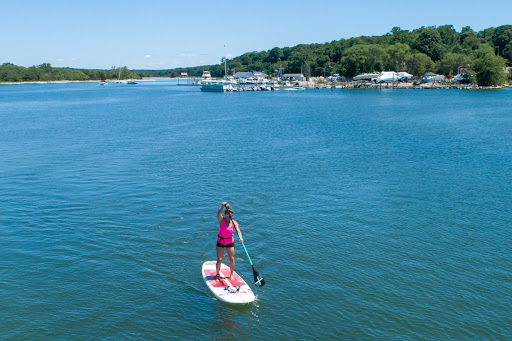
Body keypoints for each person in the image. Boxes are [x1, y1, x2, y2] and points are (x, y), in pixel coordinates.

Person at [216, 202, 243, 281]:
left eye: (231, 216)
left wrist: (241, 238)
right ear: (225, 215)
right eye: (228, 215)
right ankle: (217, 274)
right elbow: (218, 213)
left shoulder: (234, 223)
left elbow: (238, 231)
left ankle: (231, 274)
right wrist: (222, 206)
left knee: (231, 258)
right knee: (220, 259)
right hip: (221, 241)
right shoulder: (221, 220)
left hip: (230, 242)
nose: (229, 217)